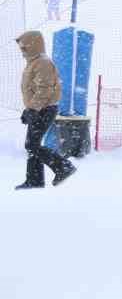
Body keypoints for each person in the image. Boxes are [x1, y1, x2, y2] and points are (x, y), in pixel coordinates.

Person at [14, 30, 76, 188]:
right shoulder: (33, 62)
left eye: (25, 47)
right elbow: (33, 89)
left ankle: (63, 166)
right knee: (32, 144)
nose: (22, 51)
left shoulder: (43, 63)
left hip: (45, 109)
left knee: (32, 145)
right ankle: (34, 180)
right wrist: (28, 109)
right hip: (38, 108)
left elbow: (45, 89)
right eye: (22, 48)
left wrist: (33, 109)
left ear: (34, 45)